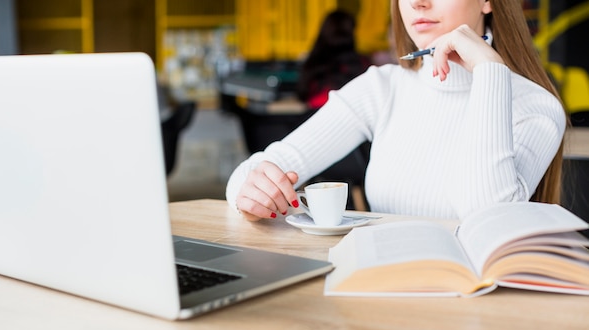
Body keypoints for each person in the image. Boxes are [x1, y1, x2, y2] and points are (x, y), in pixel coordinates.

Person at [226, 0, 567, 222]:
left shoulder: (534, 106)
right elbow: (256, 170)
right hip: (380, 296)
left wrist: (490, 73)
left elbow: (488, 219)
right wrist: (250, 188)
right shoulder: (382, 88)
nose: (419, 3)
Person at [296, 9, 371, 109]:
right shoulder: (361, 63)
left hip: (315, 116)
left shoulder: (313, 62)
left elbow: (302, 93)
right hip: (350, 117)